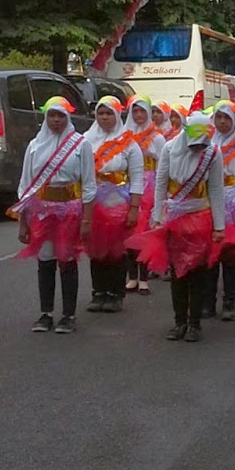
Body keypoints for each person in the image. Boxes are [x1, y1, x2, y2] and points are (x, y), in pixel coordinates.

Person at [129, 110, 225, 342]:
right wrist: (157, 216)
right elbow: (162, 183)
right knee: (178, 272)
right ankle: (179, 321)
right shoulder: (170, 148)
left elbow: (216, 190)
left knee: (197, 273)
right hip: (174, 219)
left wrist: (219, 226)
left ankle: (195, 323)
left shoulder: (213, 154)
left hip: (200, 217)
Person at [14, 96, 96, 333]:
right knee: (46, 259)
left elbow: (89, 185)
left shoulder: (81, 145)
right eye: (52, 115)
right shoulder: (35, 145)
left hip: (70, 209)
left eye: (60, 115)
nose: (56, 120)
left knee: (67, 260)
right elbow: (25, 185)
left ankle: (68, 315)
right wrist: (24, 223)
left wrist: (87, 219)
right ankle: (46, 313)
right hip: (42, 210)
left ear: (67, 117)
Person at [85, 96, 143, 312]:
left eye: (109, 113)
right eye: (101, 113)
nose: (105, 117)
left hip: (119, 203)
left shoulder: (129, 144)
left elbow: (137, 179)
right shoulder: (86, 140)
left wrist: (134, 209)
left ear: (117, 115)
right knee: (95, 249)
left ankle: (115, 293)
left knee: (116, 251)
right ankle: (98, 292)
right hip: (94, 203)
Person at [205, 100, 235, 320]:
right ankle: (208, 301)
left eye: (227, 118)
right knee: (209, 256)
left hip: (232, 202)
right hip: (209, 204)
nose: (223, 122)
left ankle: (229, 301)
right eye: (219, 117)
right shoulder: (206, 144)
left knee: (231, 257)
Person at [123, 95, 166, 294]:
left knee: (144, 230)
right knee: (129, 231)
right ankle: (131, 275)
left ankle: (143, 276)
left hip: (150, 185)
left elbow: (163, 165)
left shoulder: (157, 137)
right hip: (129, 184)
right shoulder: (124, 135)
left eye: (142, 111)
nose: (139, 115)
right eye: (135, 111)